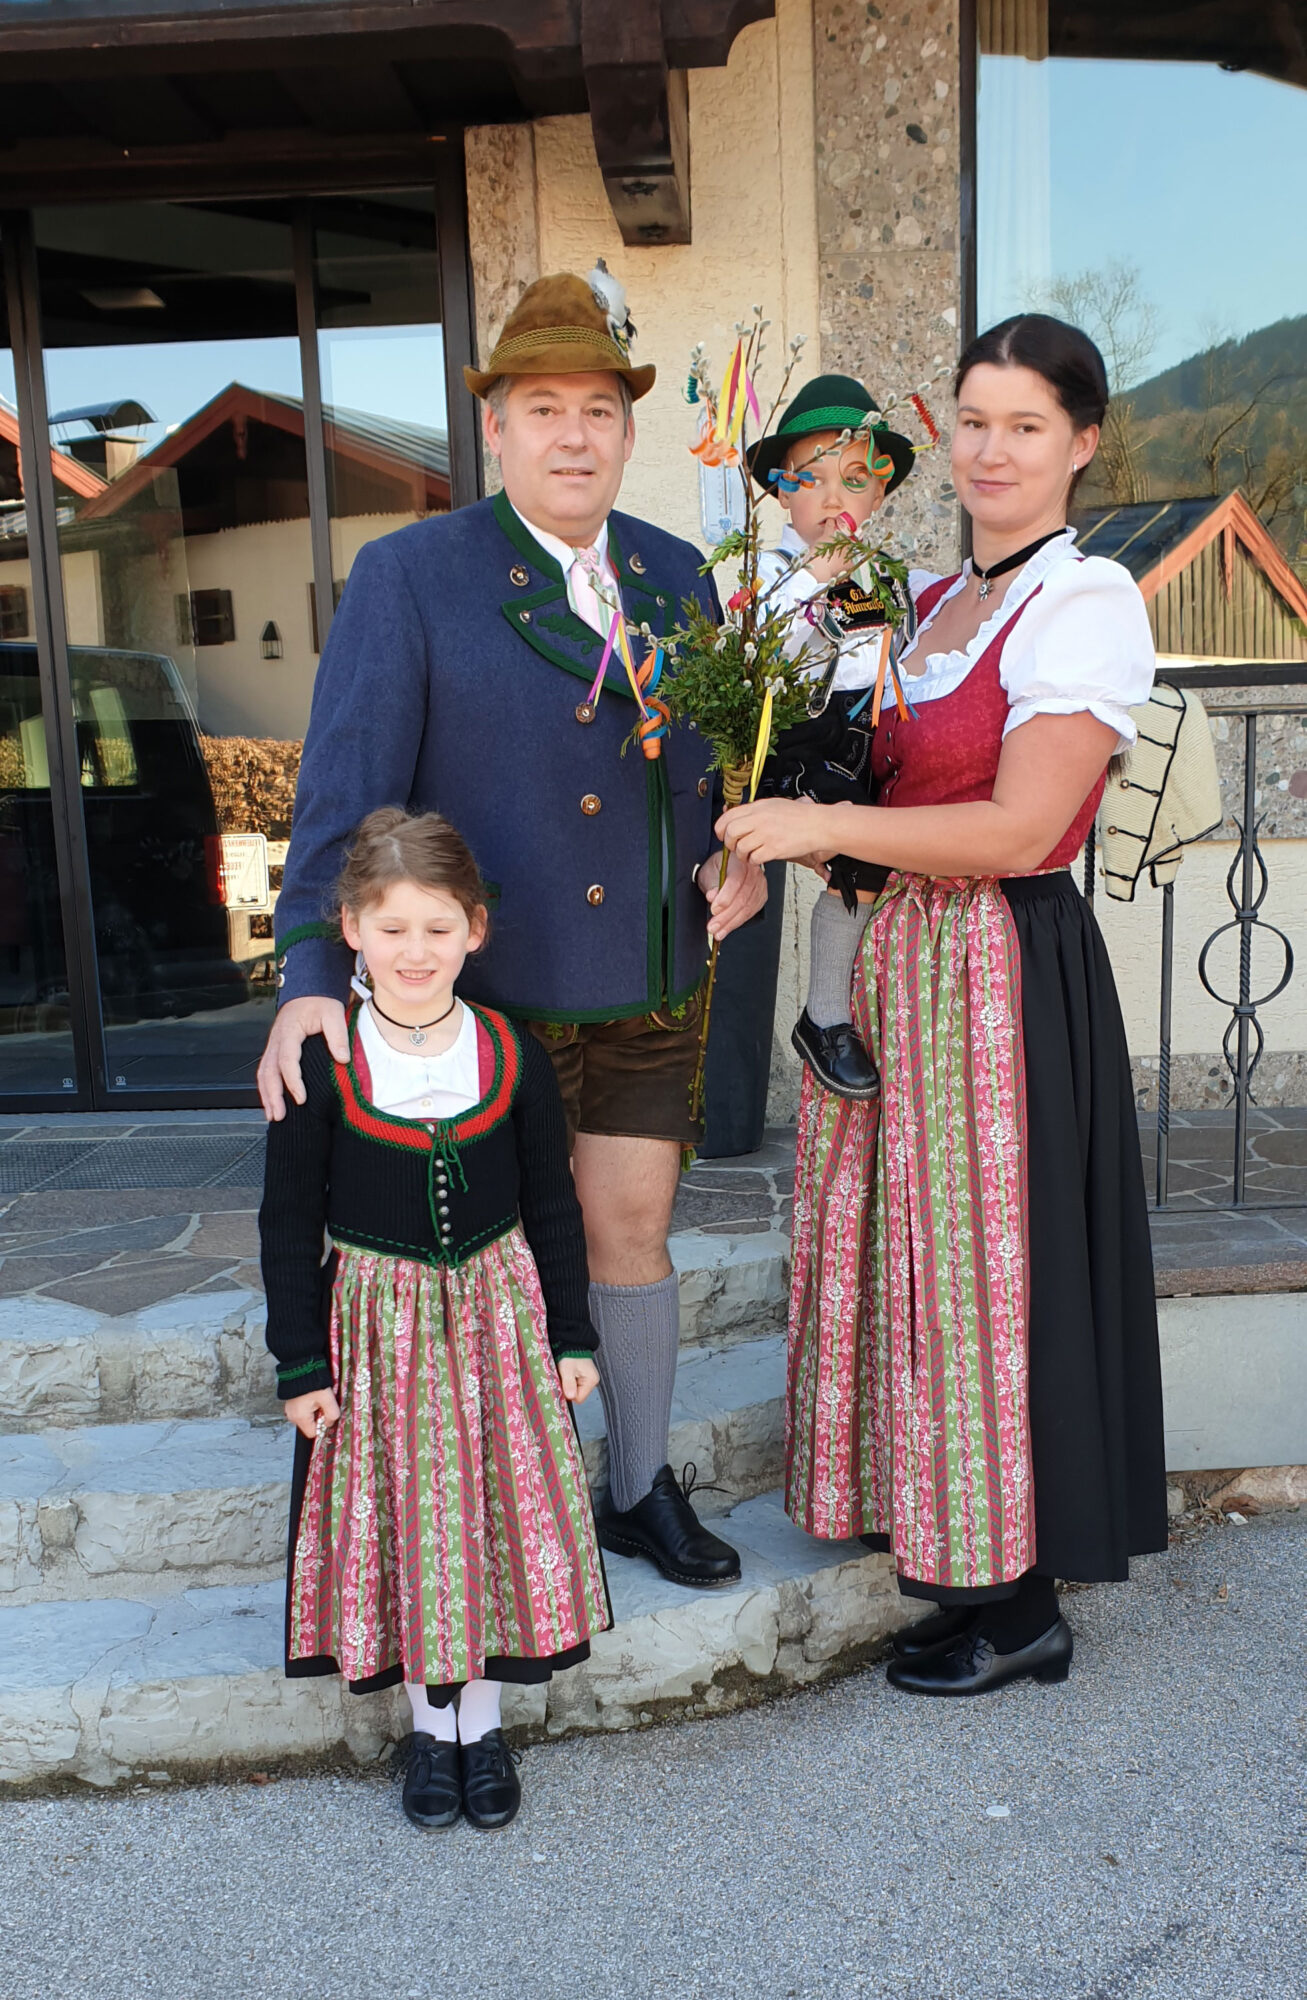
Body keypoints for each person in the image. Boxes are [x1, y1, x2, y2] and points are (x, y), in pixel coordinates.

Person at [259, 269, 767, 1590]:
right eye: (541, 407)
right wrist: (311, 978)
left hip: (649, 976)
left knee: (632, 1233)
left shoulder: (671, 572)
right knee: (489, 1272)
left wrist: (734, 853)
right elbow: (341, 788)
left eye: (596, 408)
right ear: (495, 428)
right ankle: (507, 1515)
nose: (571, 434)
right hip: (484, 1000)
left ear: (624, 427)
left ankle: (638, 1487)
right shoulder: (411, 574)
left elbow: (697, 764)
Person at [717, 314, 1168, 1696]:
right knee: (915, 1266)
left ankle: (1021, 1599)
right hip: (903, 958)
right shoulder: (916, 602)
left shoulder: (1081, 604)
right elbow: (863, 789)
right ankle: (961, 1555)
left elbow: (1019, 829)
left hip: (998, 964)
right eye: (972, 420)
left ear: (1078, 445)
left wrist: (803, 824)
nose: (989, 449)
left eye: (1023, 425)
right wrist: (760, 831)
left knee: (991, 1276)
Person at [260, 808, 609, 1830]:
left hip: (500, 1326)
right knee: (408, 1523)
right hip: (377, 1336)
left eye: (437, 927)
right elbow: (287, 1220)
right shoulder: (322, 1061)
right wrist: (299, 1361)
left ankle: (483, 1729)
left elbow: (552, 1202)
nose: (416, 950)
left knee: (492, 1517)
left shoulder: (511, 1054)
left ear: (475, 931)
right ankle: (429, 1728)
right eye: (392, 925)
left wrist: (573, 1334)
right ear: (352, 930)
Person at [747, 374, 918, 1100]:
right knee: (846, 854)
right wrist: (806, 586)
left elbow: (884, 659)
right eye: (810, 480)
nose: (831, 499)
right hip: (784, 742)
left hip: (849, 738)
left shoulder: (876, 578)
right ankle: (821, 1013)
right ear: (782, 492)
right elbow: (760, 652)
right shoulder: (761, 573)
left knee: (871, 866)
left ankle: (831, 1012)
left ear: (876, 496)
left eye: (853, 481)